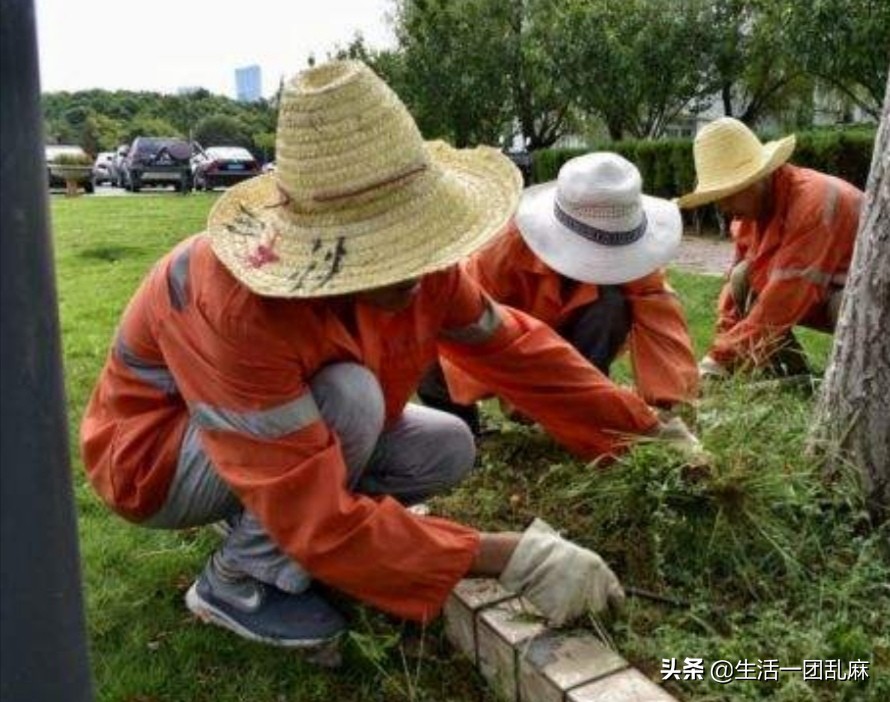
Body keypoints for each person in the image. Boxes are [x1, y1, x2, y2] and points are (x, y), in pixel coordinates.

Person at [81, 60, 691, 649]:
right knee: (350, 395)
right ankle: (236, 582)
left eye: (417, 238)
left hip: (265, 444)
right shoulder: (236, 302)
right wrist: (509, 557)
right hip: (154, 463)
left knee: (448, 443)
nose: (419, 271)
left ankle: (282, 531)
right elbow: (308, 506)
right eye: (394, 250)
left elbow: (518, 350)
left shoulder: (429, 276)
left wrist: (644, 430)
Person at [419, 152, 699, 432]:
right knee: (431, 343)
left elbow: (660, 316)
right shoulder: (500, 252)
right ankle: (463, 430)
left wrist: (671, 404)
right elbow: (472, 328)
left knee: (612, 306)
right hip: (500, 344)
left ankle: (587, 408)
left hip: (569, 340)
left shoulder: (636, 258)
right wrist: (522, 394)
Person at [678, 117, 863, 377]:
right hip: (826, 287)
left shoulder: (814, 203)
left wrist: (720, 359)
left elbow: (786, 297)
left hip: (868, 299)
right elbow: (734, 289)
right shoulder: (750, 214)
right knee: (743, 276)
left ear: (758, 177)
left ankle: (860, 390)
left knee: (853, 305)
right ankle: (791, 377)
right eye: (717, 199)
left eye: (729, 194)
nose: (725, 208)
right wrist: (722, 346)